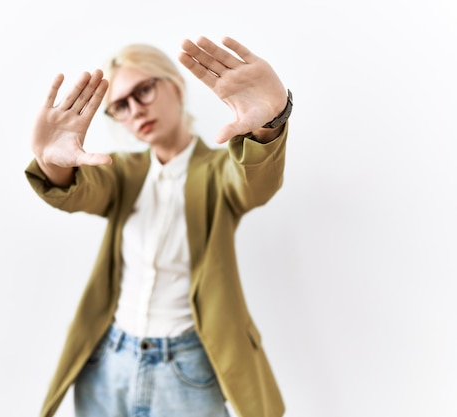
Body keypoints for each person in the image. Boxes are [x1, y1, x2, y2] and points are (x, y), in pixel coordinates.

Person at [25, 35, 292, 417]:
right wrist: (52, 162)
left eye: (143, 91)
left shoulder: (218, 171)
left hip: (188, 368)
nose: (134, 110)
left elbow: (256, 184)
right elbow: (75, 191)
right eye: (120, 106)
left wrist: (270, 122)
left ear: (176, 85)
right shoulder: (120, 173)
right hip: (108, 363)